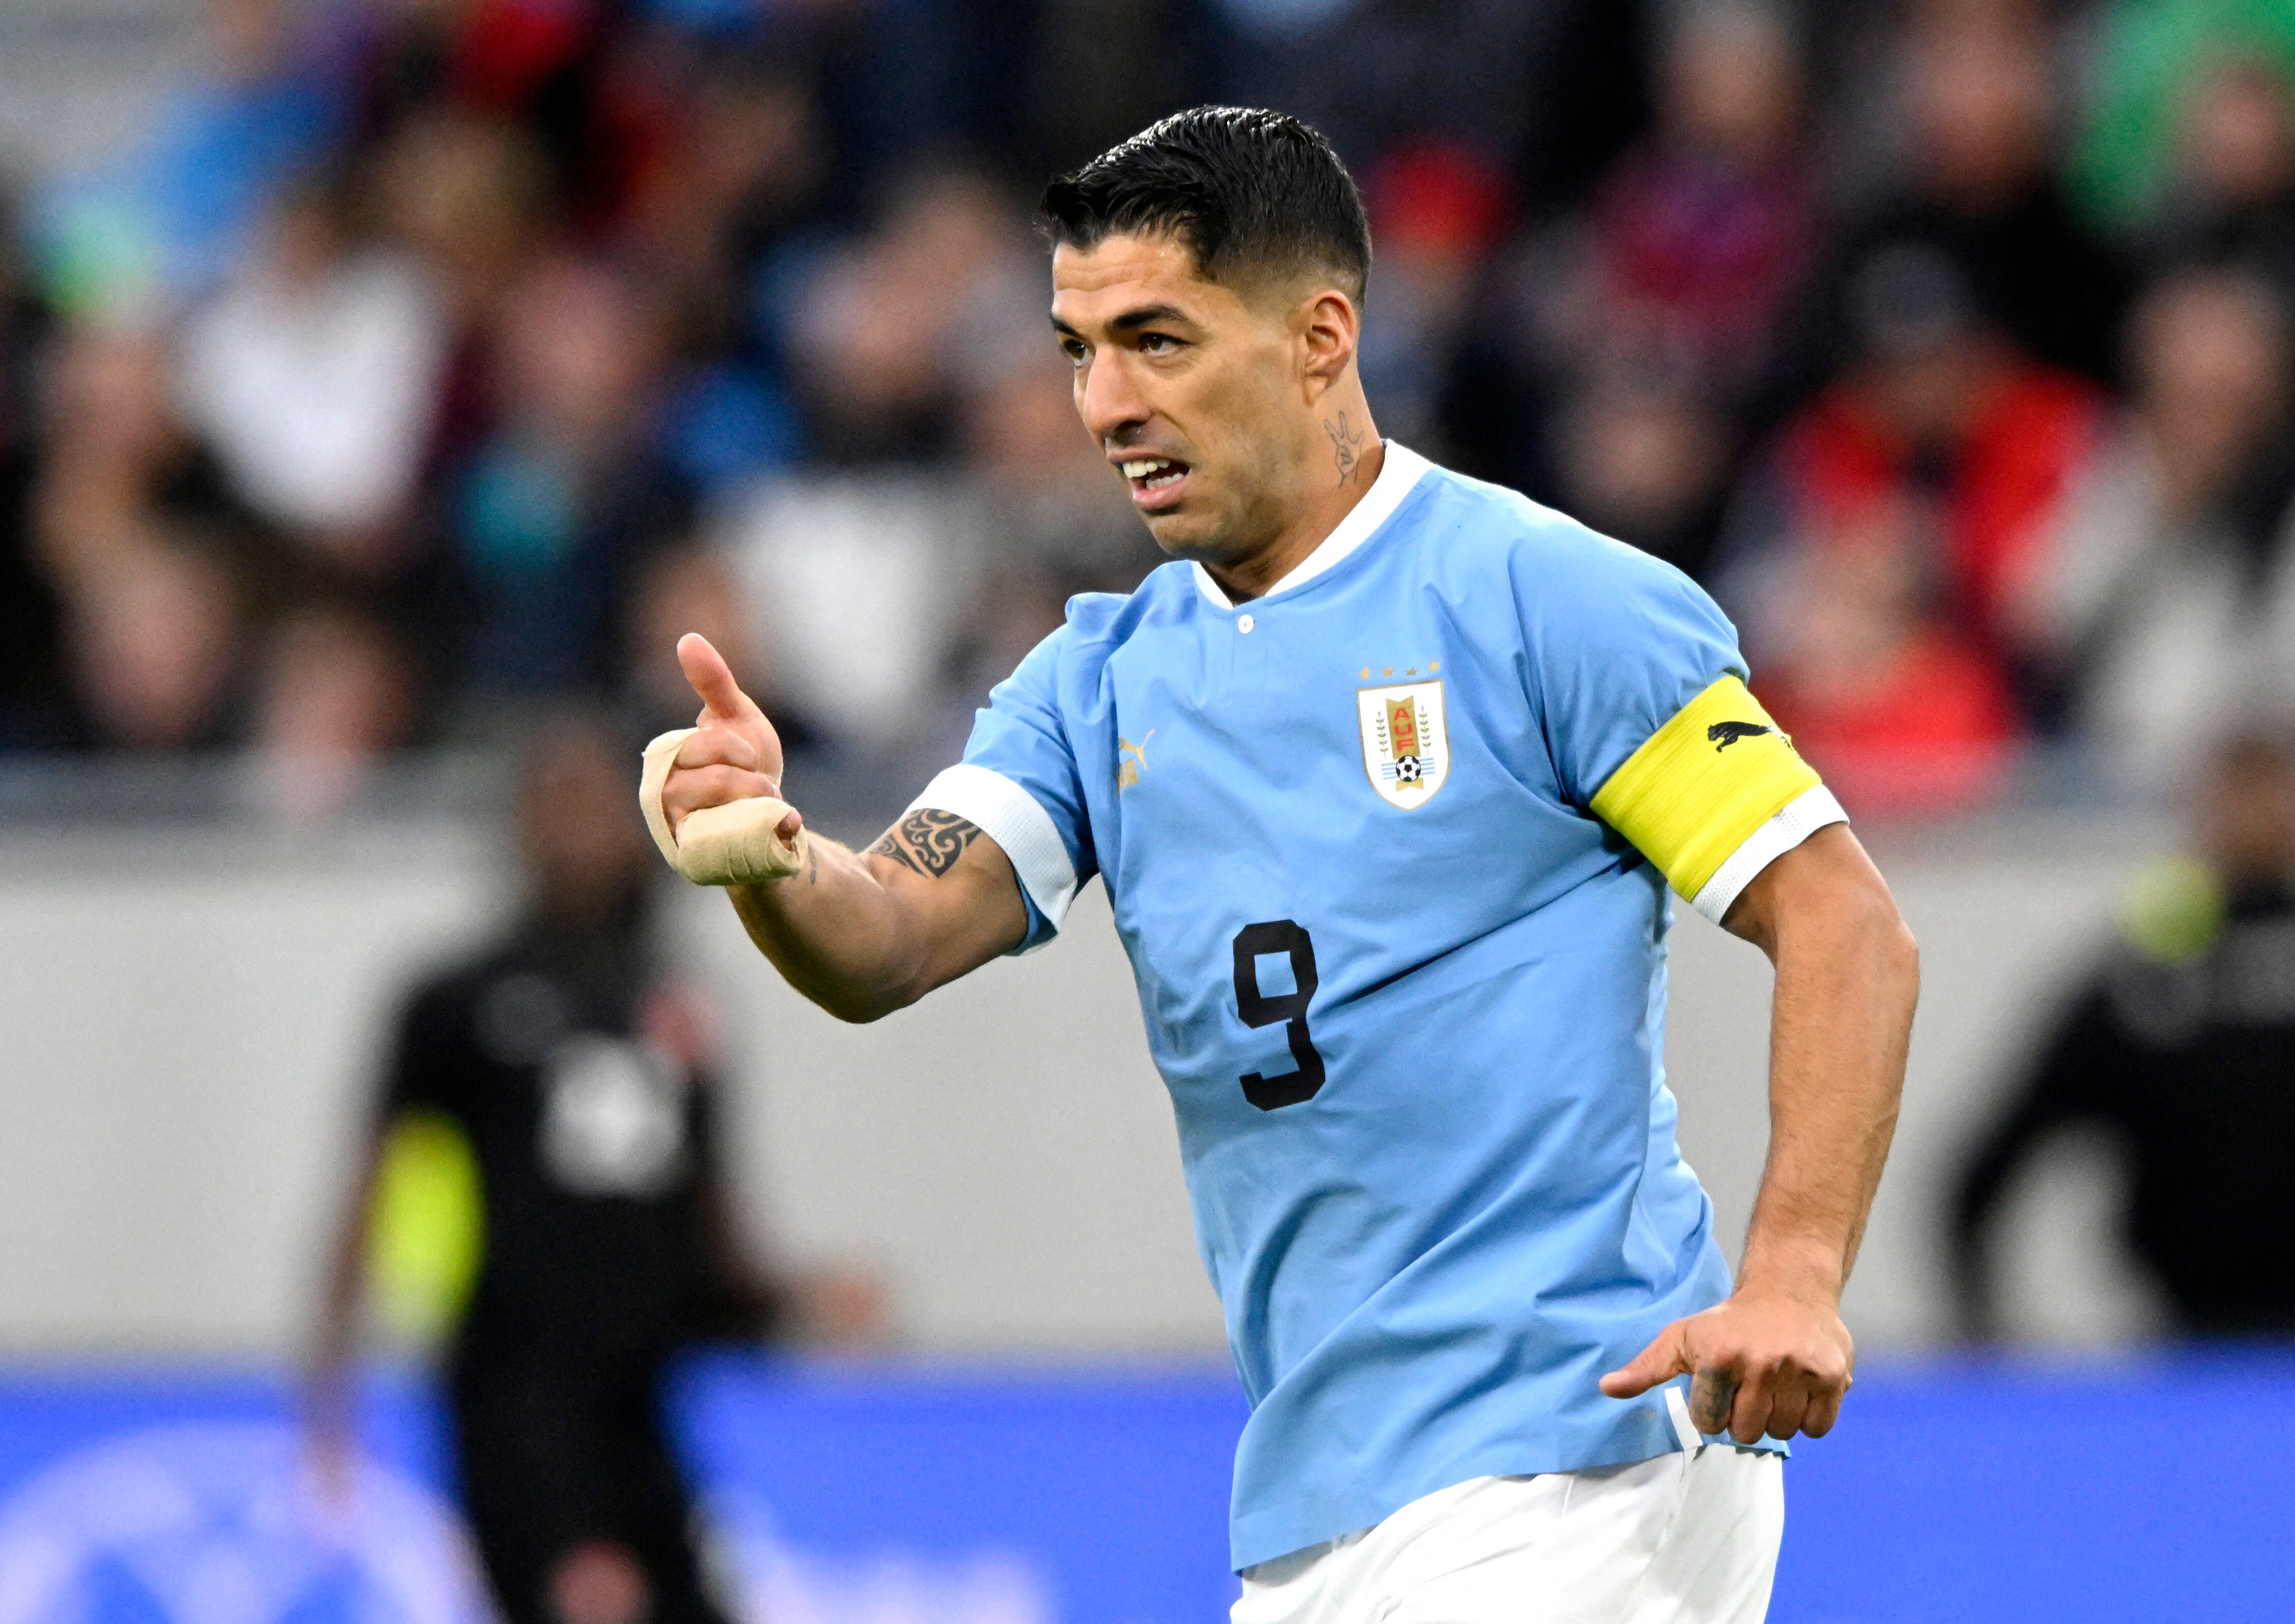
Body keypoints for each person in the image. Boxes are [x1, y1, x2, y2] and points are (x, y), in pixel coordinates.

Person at [647, 109, 1918, 1622]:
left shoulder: (1536, 598)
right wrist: (769, 856)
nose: (1103, 402)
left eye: (1156, 341)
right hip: (1322, 1501)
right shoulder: (1096, 682)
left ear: (1320, 336)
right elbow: (888, 936)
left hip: (1578, 1454)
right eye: (1076, 349)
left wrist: (1785, 1274)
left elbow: (1840, 916)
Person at [312, 714, 839, 1624]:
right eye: (554, 802)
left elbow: (708, 1227)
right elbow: (368, 1186)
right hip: (514, 1390)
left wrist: (793, 1301)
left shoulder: (678, 1003)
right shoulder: (458, 1001)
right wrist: (330, 1384)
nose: (577, 827)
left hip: (640, 1393)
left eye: (595, 803)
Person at [1949, 730, 2295, 1341]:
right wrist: (1984, 1333)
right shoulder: (2141, 987)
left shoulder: (2141, 983)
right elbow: (1986, 1167)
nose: (2261, 814)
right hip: (2186, 1337)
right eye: (2242, 790)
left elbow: (1982, 1174)